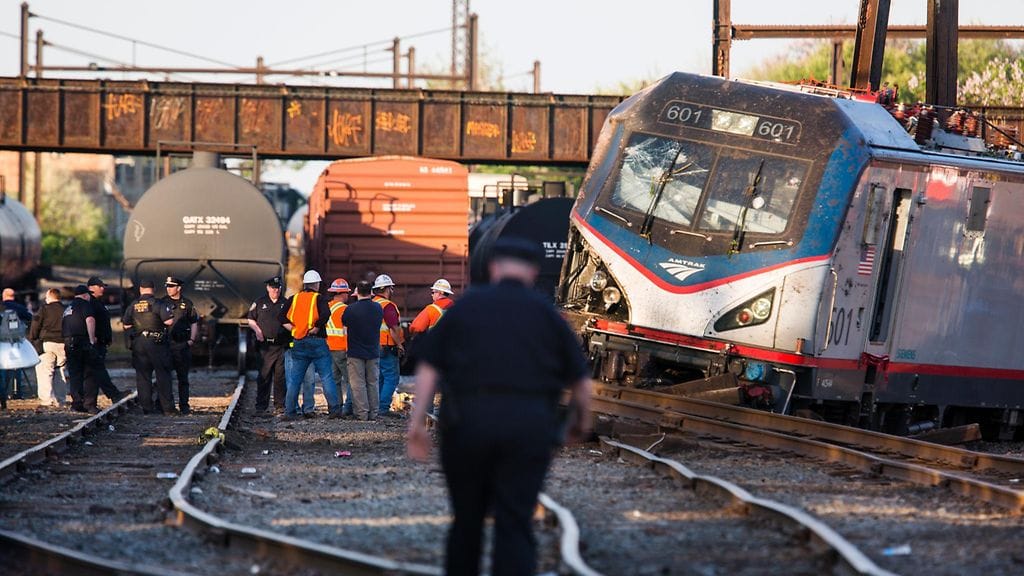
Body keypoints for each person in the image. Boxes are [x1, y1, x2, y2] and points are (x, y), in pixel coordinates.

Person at [406, 237, 592, 576]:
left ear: (493, 267)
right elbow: (581, 379)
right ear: (534, 271)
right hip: (529, 427)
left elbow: (429, 367)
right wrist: (580, 422)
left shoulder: (465, 308)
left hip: (467, 426)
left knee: (466, 521)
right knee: (515, 520)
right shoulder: (548, 316)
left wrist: (416, 423)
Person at [279, 270, 341, 420]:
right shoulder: (318, 298)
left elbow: (280, 317)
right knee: (326, 377)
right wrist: (317, 327)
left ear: (305, 284)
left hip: (299, 343)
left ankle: (289, 412)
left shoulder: (294, 299)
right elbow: (326, 314)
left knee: (295, 380)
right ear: (316, 284)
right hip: (317, 342)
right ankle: (334, 410)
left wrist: (294, 329)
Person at [122, 279, 175, 415]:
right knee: (163, 375)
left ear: (140, 289)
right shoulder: (158, 303)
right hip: (157, 343)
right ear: (153, 289)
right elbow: (169, 321)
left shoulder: (133, 305)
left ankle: (147, 408)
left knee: (143, 376)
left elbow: (126, 325)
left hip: (139, 343)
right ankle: (167, 408)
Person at [247, 276, 290, 414]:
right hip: (265, 346)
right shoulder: (260, 302)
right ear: (267, 288)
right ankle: (261, 406)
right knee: (264, 376)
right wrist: (258, 331)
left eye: (277, 288)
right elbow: (250, 319)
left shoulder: (286, 302)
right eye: (272, 288)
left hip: (281, 345)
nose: (275, 290)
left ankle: (280, 405)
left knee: (280, 377)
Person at [342, 280, 384, 421]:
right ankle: (374, 413)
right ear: (371, 292)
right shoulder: (378, 308)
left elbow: (345, 323)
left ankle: (362, 413)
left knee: (357, 383)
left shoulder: (350, 309)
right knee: (373, 382)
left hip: (355, 352)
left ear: (357, 292)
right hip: (373, 351)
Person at [61, 285, 103, 413]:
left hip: (69, 343)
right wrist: (91, 339)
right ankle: (89, 404)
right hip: (82, 342)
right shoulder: (85, 305)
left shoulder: (68, 307)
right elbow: (90, 320)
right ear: (85, 295)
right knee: (89, 372)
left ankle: (76, 403)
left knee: (75, 374)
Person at [161, 276, 199, 414]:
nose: (168, 288)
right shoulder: (162, 302)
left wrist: (192, 340)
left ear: (178, 288)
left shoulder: (187, 303)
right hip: (166, 345)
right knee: (165, 378)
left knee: (183, 378)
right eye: (167, 286)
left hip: (182, 345)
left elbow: (194, 321)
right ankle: (166, 406)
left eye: (171, 286)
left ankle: (184, 406)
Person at [85, 277, 126, 403]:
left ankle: (90, 401)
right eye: (100, 286)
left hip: (101, 343)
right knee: (97, 371)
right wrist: (92, 338)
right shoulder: (90, 302)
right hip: (95, 343)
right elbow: (88, 321)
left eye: (103, 286)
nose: (103, 288)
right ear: (91, 287)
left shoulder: (98, 302)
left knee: (93, 374)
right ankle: (113, 394)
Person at [371, 274, 404, 416]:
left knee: (380, 378)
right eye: (391, 288)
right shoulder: (388, 306)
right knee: (392, 377)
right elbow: (393, 328)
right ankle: (383, 408)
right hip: (386, 346)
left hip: (373, 345)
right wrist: (400, 344)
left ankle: (376, 406)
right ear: (387, 289)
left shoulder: (371, 303)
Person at [29, 288, 67, 408]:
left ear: (50, 297)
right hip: (63, 344)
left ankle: (47, 399)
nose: (45, 299)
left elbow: (35, 325)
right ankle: (61, 399)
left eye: (46, 297)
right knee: (60, 371)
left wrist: (33, 339)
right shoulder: (66, 309)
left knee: (45, 371)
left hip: (47, 343)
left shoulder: (44, 309)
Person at [324, 278, 352, 417]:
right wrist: (349, 348)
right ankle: (348, 409)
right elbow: (347, 331)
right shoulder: (344, 309)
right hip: (342, 348)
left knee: (334, 380)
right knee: (350, 380)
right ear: (342, 293)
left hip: (329, 348)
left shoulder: (327, 306)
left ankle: (336, 408)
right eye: (347, 292)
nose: (348, 295)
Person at [1, 287, 32, 401]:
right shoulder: (19, 308)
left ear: (4, 296)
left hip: (1, 343)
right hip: (15, 342)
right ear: (13, 296)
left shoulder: (2, 307)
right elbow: (31, 319)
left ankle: (3, 392)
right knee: (17, 367)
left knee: (3, 367)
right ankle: (17, 392)